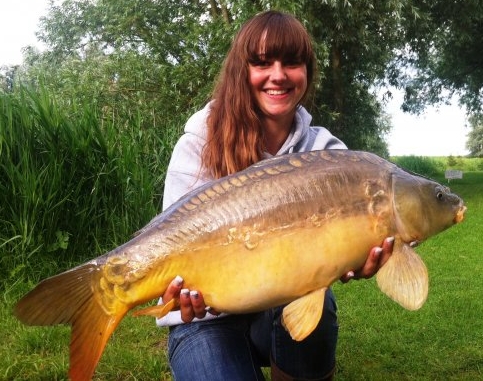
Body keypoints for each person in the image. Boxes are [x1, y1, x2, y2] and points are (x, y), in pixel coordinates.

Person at [157, 10, 393, 381]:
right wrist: (177, 290)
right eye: (263, 62)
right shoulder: (199, 142)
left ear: (307, 72)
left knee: (322, 305)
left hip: (281, 310)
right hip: (202, 319)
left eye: (292, 62)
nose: (278, 75)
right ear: (242, 71)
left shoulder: (327, 152)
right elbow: (171, 239)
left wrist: (359, 253)